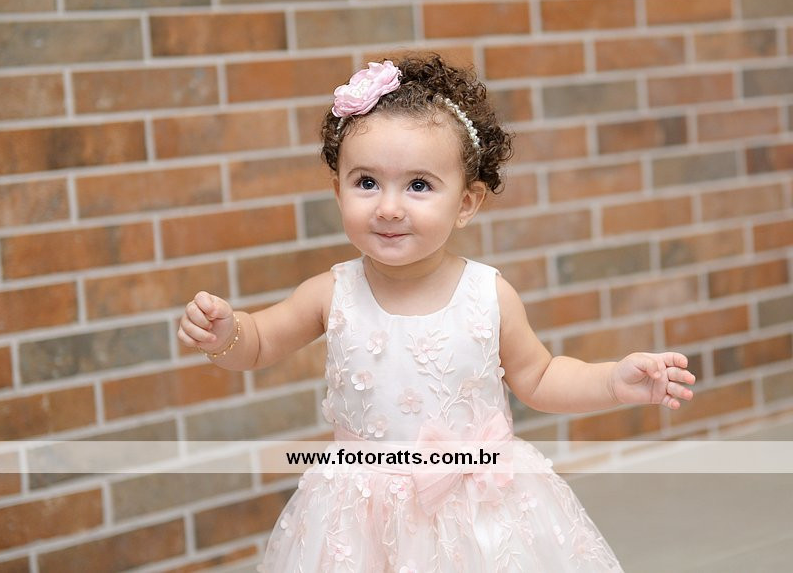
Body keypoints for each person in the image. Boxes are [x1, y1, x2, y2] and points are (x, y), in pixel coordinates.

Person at [178, 53, 696, 572]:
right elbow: (259, 343)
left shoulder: (488, 295)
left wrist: (611, 382)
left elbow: (540, 377)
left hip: (479, 514)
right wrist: (227, 333)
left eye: (419, 185)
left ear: (466, 203)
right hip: (363, 521)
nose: (388, 207)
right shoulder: (331, 294)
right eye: (366, 182)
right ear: (338, 190)